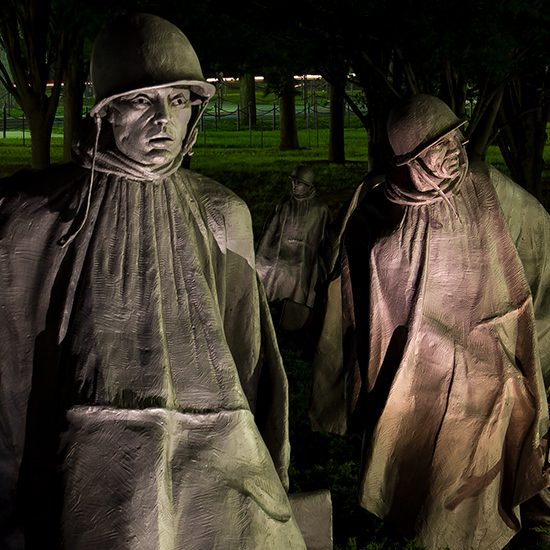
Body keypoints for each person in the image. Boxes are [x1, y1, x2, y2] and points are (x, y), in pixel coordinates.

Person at [0, 13, 306, 550]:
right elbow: (11, 370)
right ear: (106, 112)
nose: (164, 119)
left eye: (180, 100)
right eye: (142, 100)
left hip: (219, 452)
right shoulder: (41, 217)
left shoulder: (222, 213)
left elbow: (248, 356)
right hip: (99, 465)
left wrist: (270, 464)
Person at [309, 94, 550, 549]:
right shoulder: (381, 214)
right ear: (410, 159)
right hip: (423, 379)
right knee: (437, 485)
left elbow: (539, 242)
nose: (455, 148)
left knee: (492, 474)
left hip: (492, 368)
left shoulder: (488, 187)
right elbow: (360, 304)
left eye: (456, 136)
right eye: (439, 144)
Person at [255, 165, 332, 329]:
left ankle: (294, 314)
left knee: (297, 271)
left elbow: (323, 241)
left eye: (299, 183)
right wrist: (261, 255)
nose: (295, 186)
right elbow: (270, 232)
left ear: (309, 185)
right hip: (280, 250)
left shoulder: (320, 210)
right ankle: (266, 308)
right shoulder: (285, 205)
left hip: (304, 255)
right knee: (264, 267)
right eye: (293, 182)